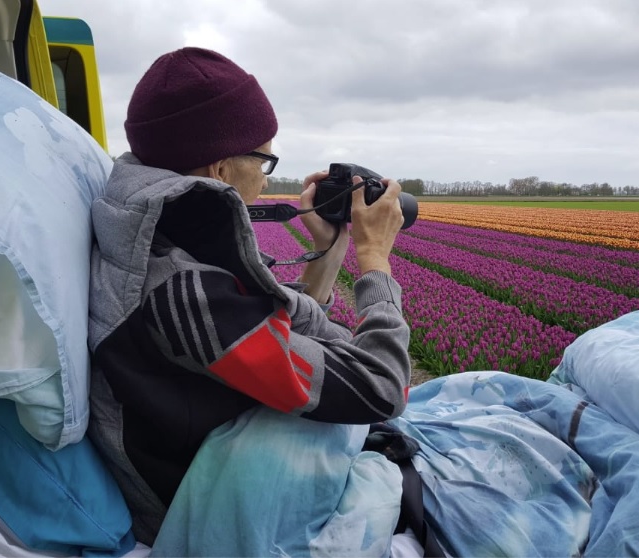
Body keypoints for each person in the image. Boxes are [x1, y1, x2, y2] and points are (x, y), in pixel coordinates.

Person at [85, 47, 411, 545]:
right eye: (264, 157)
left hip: (208, 450)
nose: (266, 174)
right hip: (199, 502)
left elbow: (277, 327)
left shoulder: (160, 234)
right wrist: (376, 259)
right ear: (219, 169)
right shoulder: (187, 295)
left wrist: (331, 244)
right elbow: (383, 391)